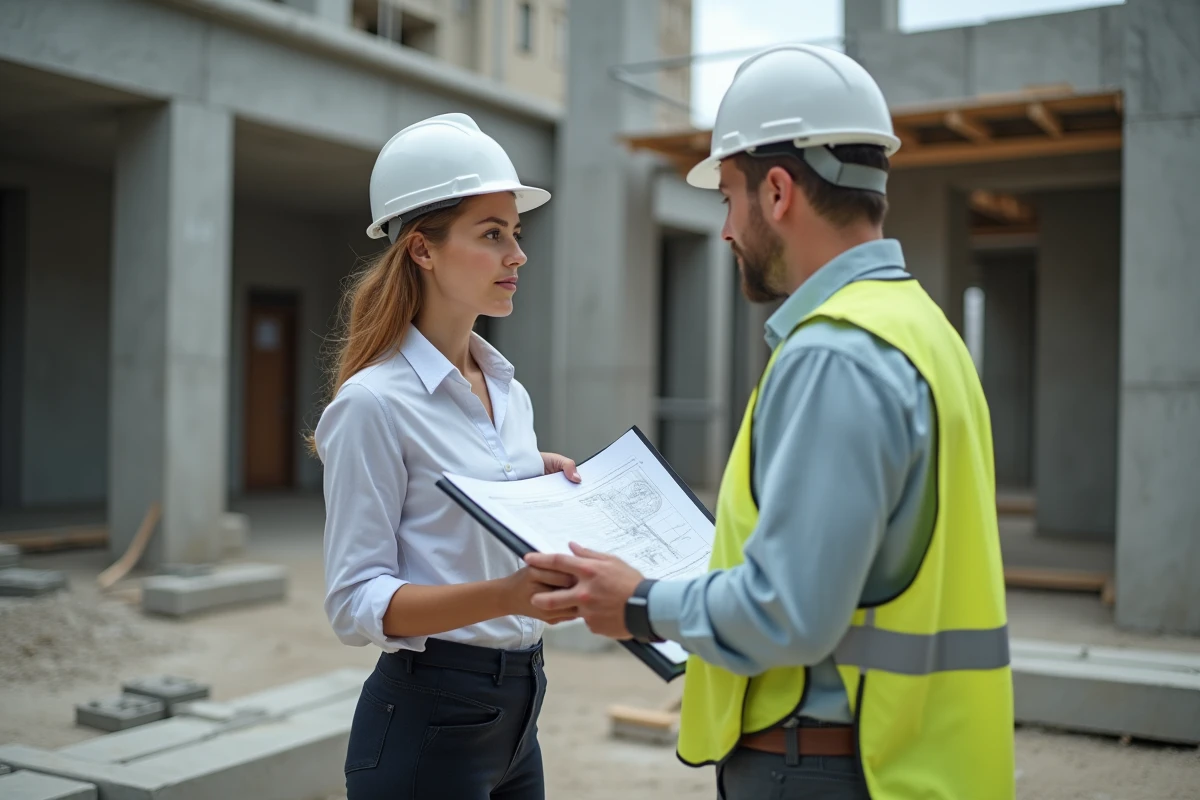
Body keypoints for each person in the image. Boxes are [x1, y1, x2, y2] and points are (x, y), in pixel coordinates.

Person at [524, 44, 1015, 800]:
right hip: (910, 759)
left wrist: (639, 602)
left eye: (727, 196)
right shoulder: (923, 330)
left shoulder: (836, 354)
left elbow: (790, 610)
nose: (724, 230)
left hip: (824, 767)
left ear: (778, 191)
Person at [313, 112, 580, 800]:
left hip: (520, 713)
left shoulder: (506, 393)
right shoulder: (372, 404)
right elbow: (354, 602)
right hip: (428, 722)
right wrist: (507, 595)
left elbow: (458, 516)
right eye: (492, 235)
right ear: (422, 251)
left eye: (515, 235)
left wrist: (531, 479)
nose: (517, 255)